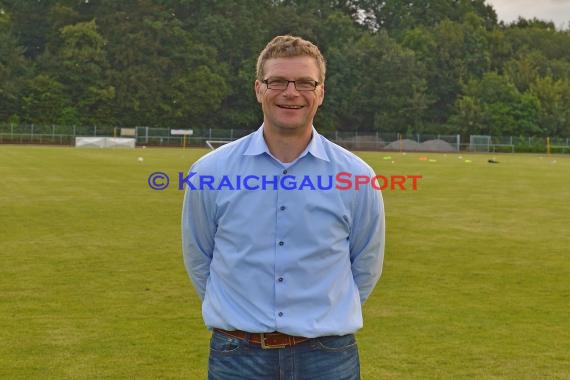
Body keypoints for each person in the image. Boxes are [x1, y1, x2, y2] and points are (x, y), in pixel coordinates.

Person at [182, 35, 385, 380]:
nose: (291, 93)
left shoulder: (357, 176)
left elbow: (365, 264)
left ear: (320, 92)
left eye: (305, 83)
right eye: (278, 81)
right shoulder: (210, 172)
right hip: (237, 357)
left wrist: (321, 320)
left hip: (327, 357)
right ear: (259, 89)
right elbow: (200, 257)